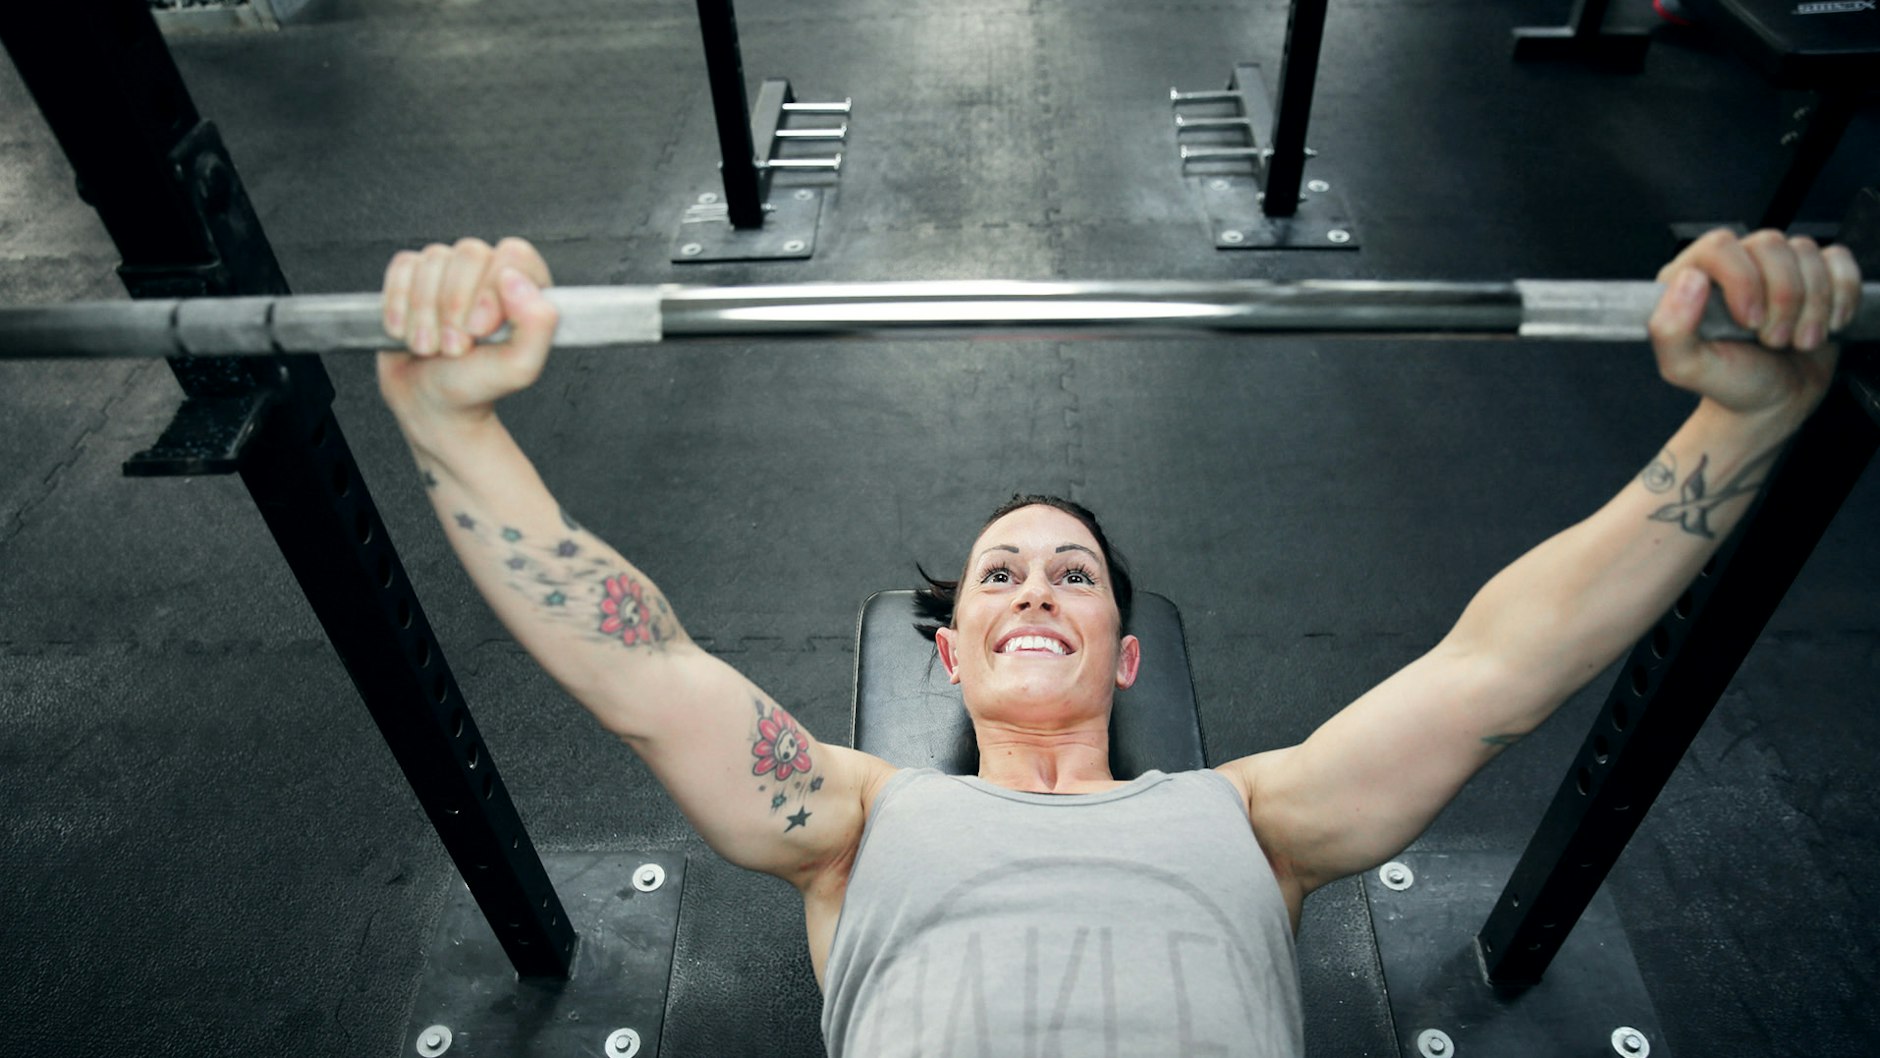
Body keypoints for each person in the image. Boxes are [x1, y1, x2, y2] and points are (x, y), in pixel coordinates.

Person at [375, 231, 1861, 1057]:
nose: (1033, 589)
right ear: (946, 656)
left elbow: (1505, 667)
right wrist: (452, 421)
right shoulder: (849, 814)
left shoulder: (1262, 817)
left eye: (1073, 575)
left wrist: (1750, 416)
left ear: (1125, 653)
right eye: (1000, 574)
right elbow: (640, 667)